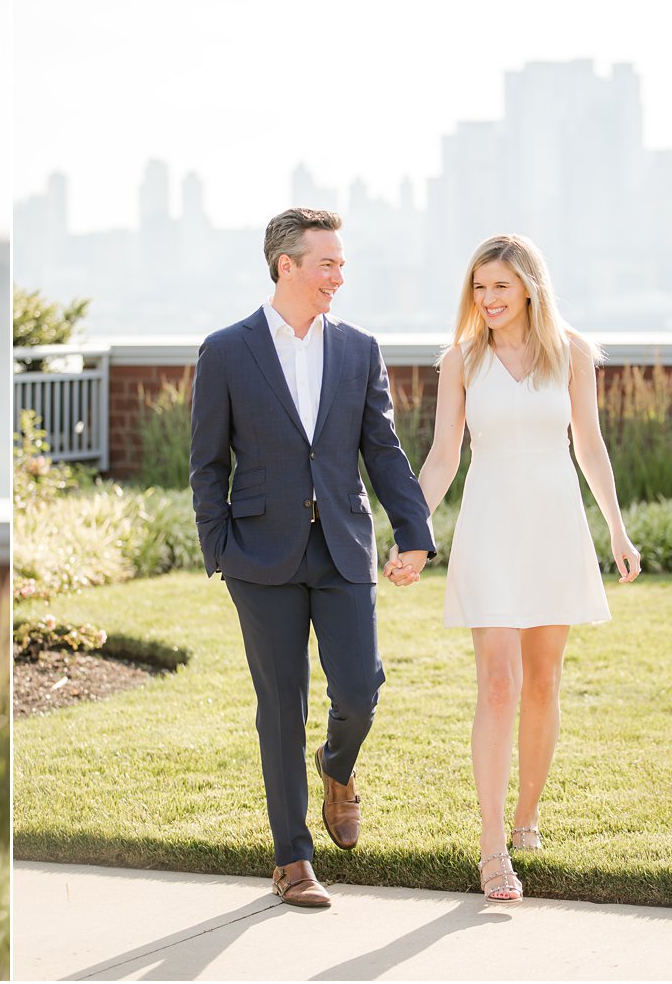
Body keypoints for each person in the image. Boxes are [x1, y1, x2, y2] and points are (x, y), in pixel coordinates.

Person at [189, 207, 436, 909]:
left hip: (342, 549)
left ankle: (338, 765)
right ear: (286, 264)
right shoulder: (227, 350)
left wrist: (412, 530)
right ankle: (291, 858)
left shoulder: (359, 349)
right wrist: (220, 548)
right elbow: (205, 463)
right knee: (281, 705)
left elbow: (383, 450)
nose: (339, 275)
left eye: (342, 263)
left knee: (360, 688)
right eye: (327, 262)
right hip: (258, 556)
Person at [387, 233, 640, 904]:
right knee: (498, 681)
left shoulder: (574, 354)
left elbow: (589, 444)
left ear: (529, 285)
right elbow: (443, 455)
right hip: (491, 531)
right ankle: (492, 845)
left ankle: (528, 818)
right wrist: (413, 530)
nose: (488, 298)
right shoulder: (462, 360)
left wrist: (616, 528)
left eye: (500, 285)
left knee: (543, 680)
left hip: (555, 530)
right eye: (479, 287)